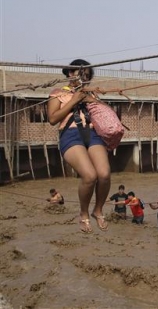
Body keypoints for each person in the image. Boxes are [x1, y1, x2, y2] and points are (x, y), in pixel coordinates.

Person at [47, 59, 110, 234]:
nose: (84, 78)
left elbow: (106, 113)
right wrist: (74, 100)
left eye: (87, 76)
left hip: (93, 133)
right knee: (90, 176)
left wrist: (91, 99)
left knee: (104, 174)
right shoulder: (58, 93)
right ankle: (83, 214)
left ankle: (98, 210)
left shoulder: (91, 94)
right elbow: (53, 119)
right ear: (70, 74)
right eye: (80, 74)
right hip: (71, 135)